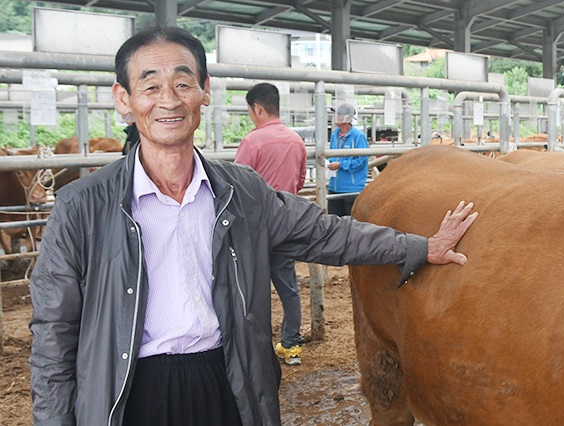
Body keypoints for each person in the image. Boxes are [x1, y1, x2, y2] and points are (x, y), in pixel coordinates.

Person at [28, 26, 478, 426]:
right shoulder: (81, 205)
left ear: (204, 91)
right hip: (127, 392)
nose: (169, 99)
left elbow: (327, 234)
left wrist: (419, 247)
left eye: (183, 83)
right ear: (124, 99)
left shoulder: (242, 192)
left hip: (230, 380)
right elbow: (53, 333)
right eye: (150, 86)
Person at [234, 82, 307, 366]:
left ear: (257, 108)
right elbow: (300, 181)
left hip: (255, 225)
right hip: (287, 220)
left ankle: (258, 348)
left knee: (253, 288)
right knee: (288, 286)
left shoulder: (252, 142)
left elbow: (236, 184)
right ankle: (291, 346)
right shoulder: (296, 140)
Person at [327, 103, 369, 216]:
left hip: (351, 188)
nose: (336, 116)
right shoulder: (334, 135)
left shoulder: (358, 136)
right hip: (334, 186)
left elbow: (362, 159)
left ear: (347, 118)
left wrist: (341, 165)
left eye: (339, 114)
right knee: (333, 220)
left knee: (350, 223)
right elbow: (332, 155)